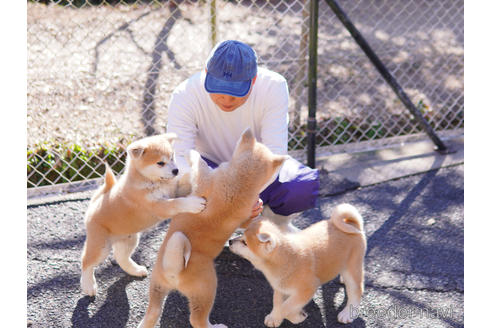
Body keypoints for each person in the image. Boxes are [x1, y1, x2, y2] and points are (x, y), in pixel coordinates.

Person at [167, 40, 319, 232]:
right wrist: (224, 193)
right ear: (205, 73)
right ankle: (218, 223)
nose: (227, 100)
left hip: (254, 172)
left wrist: (248, 192)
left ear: (253, 80)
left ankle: (266, 225)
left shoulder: (274, 86)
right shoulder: (185, 94)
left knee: (301, 186)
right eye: (219, 90)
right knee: (180, 184)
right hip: (210, 172)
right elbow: (181, 158)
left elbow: (274, 154)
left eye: (236, 93)